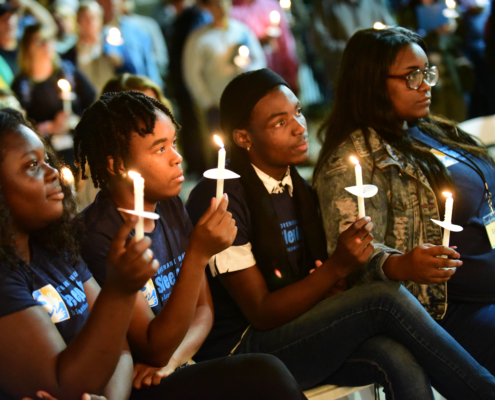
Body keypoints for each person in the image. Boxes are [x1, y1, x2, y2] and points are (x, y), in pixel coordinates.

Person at [186, 68, 495, 400]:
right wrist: (338, 266)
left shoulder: (296, 187)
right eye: (279, 123)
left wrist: (335, 279)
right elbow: (261, 312)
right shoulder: (220, 197)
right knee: (384, 299)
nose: (299, 127)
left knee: (398, 356)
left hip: (296, 325)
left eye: (299, 112)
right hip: (245, 348)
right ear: (244, 138)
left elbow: (314, 281)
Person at [73, 90, 308, 399]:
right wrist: (198, 254)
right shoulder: (99, 235)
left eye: (173, 143)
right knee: (267, 373)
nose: (177, 156)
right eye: (159, 149)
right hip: (144, 384)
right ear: (117, 165)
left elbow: (204, 311)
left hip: (178, 362)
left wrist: (175, 358)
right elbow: (152, 347)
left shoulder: (168, 204)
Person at [313, 25, 495, 380]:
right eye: (412, 76)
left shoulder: (431, 128)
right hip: (447, 312)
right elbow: (352, 255)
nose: (426, 84)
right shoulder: (351, 162)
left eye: (427, 72)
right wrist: (400, 265)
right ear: (372, 83)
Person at [0, 107, 159, 399]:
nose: (53, 173)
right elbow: (65, 386)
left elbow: (120, 347)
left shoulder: (54, 248)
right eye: (32, 165)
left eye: (46, 160)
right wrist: (120, 289)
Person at [11, 23, 95, 166]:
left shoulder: (67, 72)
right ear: (27, 47)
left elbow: (92, 100)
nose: (46, 45)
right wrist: (50, 127)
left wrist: (75, 119)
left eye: (49, 39)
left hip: (80, 152)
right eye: (39, 41)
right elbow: (19, 127)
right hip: (48, 158)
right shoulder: (22, 85)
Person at [183, 0, 266, 132]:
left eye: (223, 2)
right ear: (207, 7)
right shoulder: (198, 38)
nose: (221, 8)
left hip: (246, 99)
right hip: (218, 103)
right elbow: (192, 75)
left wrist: (246, 69)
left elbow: (259, 60)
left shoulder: (242, 31)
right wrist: (208, 102)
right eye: (215, 4)